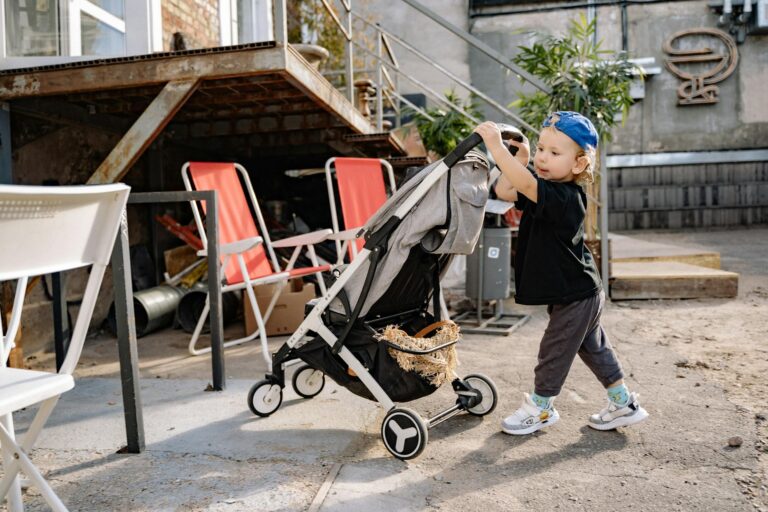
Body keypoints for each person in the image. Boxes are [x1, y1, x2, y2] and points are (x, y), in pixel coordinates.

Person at [474, 111, 649, 435]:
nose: (543, 157)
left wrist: (497, 149)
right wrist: (520, 158)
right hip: (579, 290)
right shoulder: (545, 189)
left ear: (579, 164)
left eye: (554, 153)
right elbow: (506, 189)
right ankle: (623, 403)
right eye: (541, 149)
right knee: (593, 347)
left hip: (575, 294)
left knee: (553, 351)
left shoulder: (565, 197)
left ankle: (541, 407)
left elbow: (525, 183)